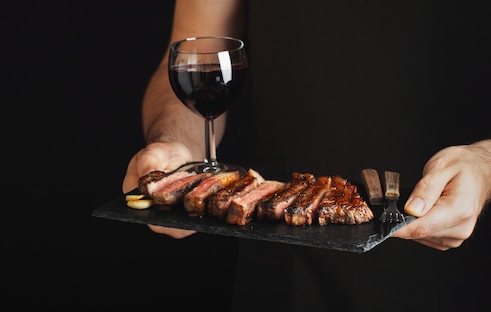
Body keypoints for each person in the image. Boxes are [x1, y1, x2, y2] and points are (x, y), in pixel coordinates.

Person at [122, 0, 491, 310]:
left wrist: (485, 164)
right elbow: (193, 59)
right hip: (281, 259)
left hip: (457, 266)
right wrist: (174, 145)